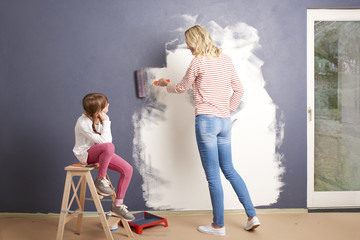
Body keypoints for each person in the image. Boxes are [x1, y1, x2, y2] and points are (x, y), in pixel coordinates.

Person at [156, 25, 260, 236]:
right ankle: (252, 216)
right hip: (224, 122)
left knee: (213, 176)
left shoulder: (198, 62)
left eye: (189, 42)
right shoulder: (225, 59)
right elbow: (239, 90)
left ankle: (218, 226)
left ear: (196, 40)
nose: (188, 46)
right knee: (229, 169)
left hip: (206, 122)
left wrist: (163, 84)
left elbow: (181, 88)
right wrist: (227, 110)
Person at [73, 93, 135, 221]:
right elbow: (106, 143)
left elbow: (106, 142)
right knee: (109, 147)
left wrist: (104, 121)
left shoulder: (99, 119)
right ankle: (100, 180)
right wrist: (106, 121)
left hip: (101, 153)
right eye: (106, 105)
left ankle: (117, 205)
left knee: (128, 169)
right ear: (98, 111)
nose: (109, 106)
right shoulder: (83, 122)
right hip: (86, 155)